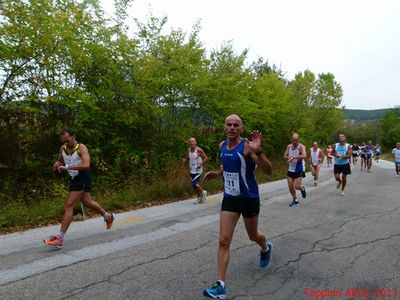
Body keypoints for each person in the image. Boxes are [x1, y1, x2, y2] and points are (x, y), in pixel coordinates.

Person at [202, 114, 273, 299]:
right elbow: (226, 165)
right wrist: (217, 174)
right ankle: (220, 286)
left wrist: (258, 152)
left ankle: (265, 247)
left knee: (253, 235)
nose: (232, 127)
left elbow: (269, 171)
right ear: (224, 127)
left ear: (241, 128)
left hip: (249, 197)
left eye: (236, 125)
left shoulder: (248, 146)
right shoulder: (221, 146)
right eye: (229, 124)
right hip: (230, 198)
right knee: (223, 240)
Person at [44, 129, 115, 248]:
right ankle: (108, 217)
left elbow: (86, 165)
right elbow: (60, 160)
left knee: (68, 206)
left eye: (68, 140)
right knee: (87, 202)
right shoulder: (63, 148)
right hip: (74, 178)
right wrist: (56, 164)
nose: (66, 143)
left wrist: (67, 167)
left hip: (82, 177)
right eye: (64, 142)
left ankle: (59, 238)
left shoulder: (81, 148)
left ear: (74, 137)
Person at [182, 137, 208, 204]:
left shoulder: (199, 150)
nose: (191, 143)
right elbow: (188, 158)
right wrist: (185, 160)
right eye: (190, 141)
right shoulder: (188, 150)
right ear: (189, 143)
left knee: (194, 184)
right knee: (193, 186)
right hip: (191, 170)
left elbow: (206, 158)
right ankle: (199, 198)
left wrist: (201, 163)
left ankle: (203, 192)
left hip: (198, 170)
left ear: (195, 142)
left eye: (193, 141)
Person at [284, 133, 307, 207]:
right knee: (290, 185)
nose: (294, 142)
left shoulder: (301, 146)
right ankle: (295, 200)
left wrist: (294, 157)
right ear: (291, 139)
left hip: (299, 168)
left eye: (296, 140)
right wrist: (288, 157)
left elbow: (304, 156)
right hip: (290, 169)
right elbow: (284, 155)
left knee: (296, 186)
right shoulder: (288, 146)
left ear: (298, 140)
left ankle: (302, 189)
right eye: (293, 140)